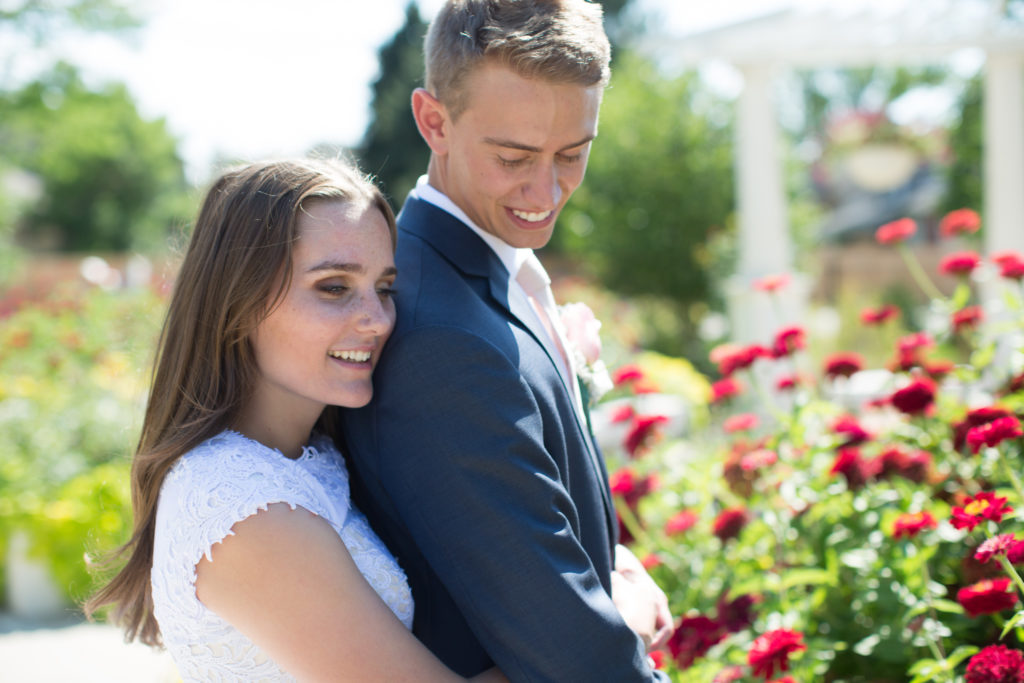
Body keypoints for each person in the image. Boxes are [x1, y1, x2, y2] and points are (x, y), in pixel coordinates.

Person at [341, 1, 673, 681]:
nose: (547, 189)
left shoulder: (499, 271)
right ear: (434, 121)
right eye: (515, 156)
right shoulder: (440, 334)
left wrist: (612, 563)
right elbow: (578, 661)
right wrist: (626, 624)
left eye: (573, 153)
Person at [85, 158, 507, 682]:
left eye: (385, 287)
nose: (377, 319)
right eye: (334, 287)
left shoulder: (311, 459)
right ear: (237, 301)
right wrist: (597, 630)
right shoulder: (246, 509)